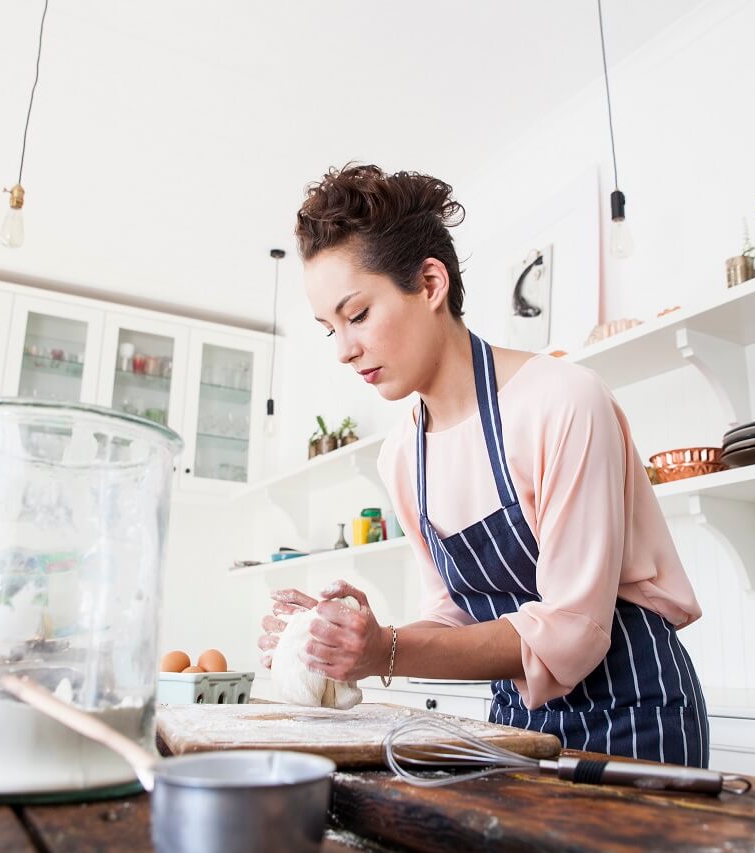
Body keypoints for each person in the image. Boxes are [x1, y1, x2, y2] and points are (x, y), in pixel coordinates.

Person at [258, 164, 709, 766]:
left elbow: (574, 630)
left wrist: (386, 650)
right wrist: (344, 638)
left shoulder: (563, 400)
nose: (344, 350)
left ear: (430, 283)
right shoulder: (403, 455)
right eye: (328, 329)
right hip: (516, 727)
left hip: (635, 719)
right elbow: (448, 620)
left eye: (358, 314)